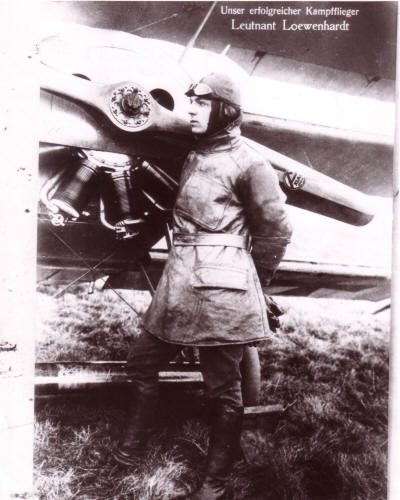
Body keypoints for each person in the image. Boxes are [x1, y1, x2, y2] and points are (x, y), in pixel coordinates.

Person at [112, 72, 292, 500]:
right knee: (141, 364)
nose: (189, 110)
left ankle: (214, 484)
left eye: (200, 103)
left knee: (222, 389)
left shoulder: (252, 164)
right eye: (189, 102)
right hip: (180, 278)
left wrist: (253, 284)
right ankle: (129, 452)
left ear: (224, 111)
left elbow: (277, 230)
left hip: (224, 289)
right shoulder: (197, 154)